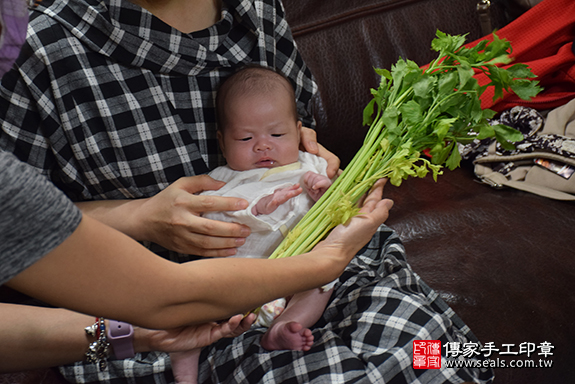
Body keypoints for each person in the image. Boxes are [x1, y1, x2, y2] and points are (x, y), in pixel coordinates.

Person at [0, 0, 493, 382]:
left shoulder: (256, 11)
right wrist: (139, 216)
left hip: (317, 254)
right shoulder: (40, 47)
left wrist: (313, 161)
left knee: (433, 351)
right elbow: (17, 228)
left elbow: (295, 129)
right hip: (182, 310)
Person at [170, 66, 335, 383]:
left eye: (277, 134)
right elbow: (213, 217)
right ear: (222, 141)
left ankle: (281, 328)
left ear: (298, 130)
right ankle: (184, 365)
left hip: (297, 270)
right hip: (234, 278)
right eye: (245, 137)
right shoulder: (223, 180)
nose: (262, 145)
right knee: (187, 307)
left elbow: (335, 204)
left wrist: (322, 189)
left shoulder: (308, 164)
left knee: (322, 283)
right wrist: (258, 209)